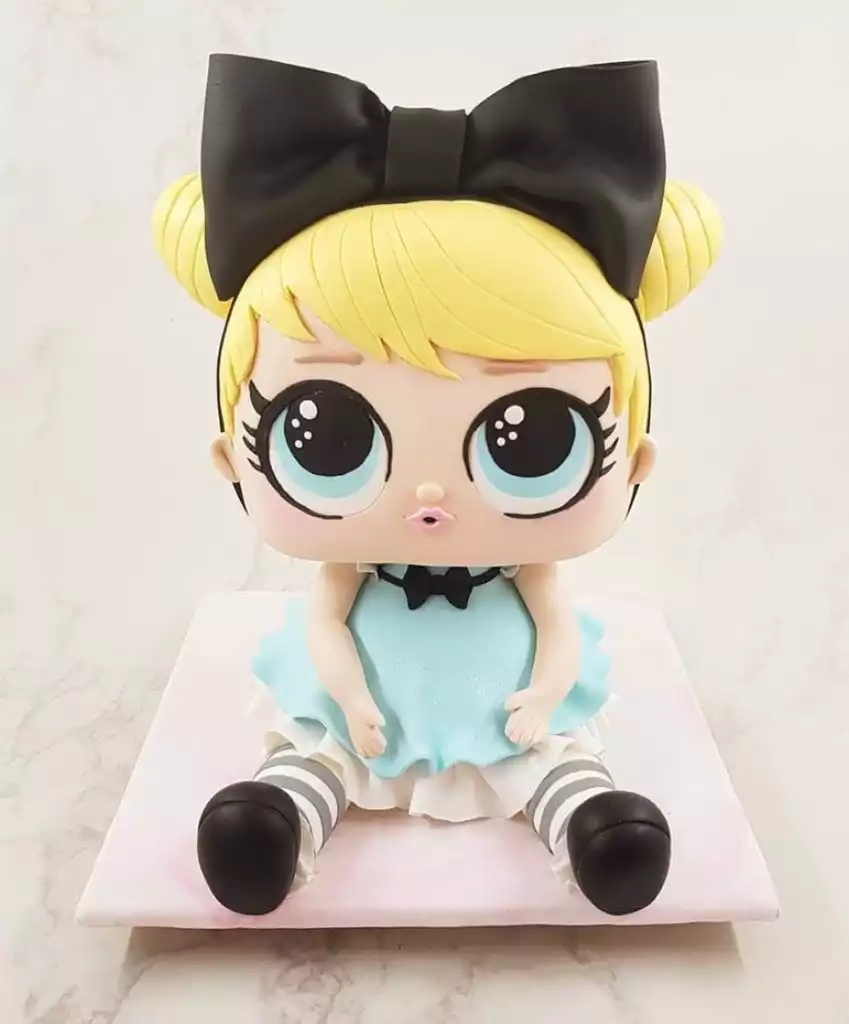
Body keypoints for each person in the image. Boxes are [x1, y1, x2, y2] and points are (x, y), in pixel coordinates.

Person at [153, 54, 722, 917]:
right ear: (231, 458)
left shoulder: (525, 570)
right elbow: (324, 624)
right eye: (325, 435)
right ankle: (276, 822)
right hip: (368, 705)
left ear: (633, 461)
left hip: (501, 705)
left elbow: (555, 628)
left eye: (532, 440)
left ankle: (592, 828)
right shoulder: (352, 571)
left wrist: (543, 693)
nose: (429, 494)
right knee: (320, 751)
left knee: (549, 759)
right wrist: (350, 697)